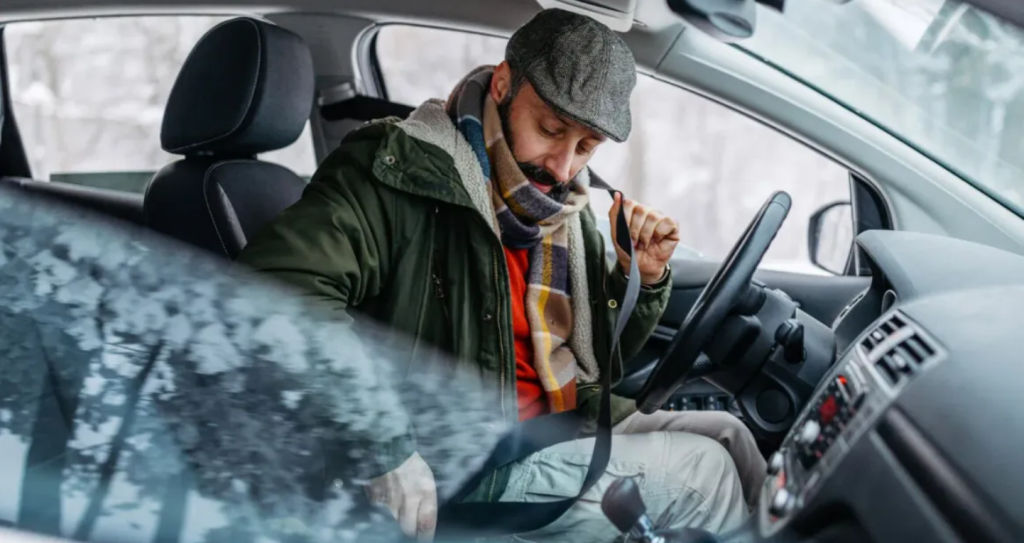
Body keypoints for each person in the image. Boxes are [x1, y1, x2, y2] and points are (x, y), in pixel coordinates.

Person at [236, 8, 766, 542]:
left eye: (586, 147)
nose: (562, 167)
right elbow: (275, 291)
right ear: (504, 83)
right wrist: (384, 444)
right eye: (551, 129)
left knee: (731, 437)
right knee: (706, 474)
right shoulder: (396, 170)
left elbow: (597, 367)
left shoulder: (566, 213)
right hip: (467, 461)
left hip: (563, 424)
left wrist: (641, 278)